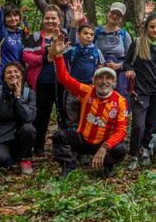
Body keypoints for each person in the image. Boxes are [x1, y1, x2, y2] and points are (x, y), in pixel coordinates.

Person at [47, 31, 129, 178]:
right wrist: (58, 56)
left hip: (103, 142)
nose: (104, 81)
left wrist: (105, 147)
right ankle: (68, 166)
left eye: (108, 78)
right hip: (83, 139)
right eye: (100, 78)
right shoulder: (87, 92)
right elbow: (65, 79)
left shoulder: (120, 101)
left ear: (114, 83)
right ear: (94, 81)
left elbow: (121, 131)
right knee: (59, 136)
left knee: (121, 147)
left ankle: (107, 166)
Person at [123, 13, 156, 168]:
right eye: (152, 27)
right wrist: (129, 70)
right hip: (140, 91)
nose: (155, 30)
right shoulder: (137, 43)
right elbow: (127, 62)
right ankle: (133, 155)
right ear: (146, 27)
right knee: (138, 125)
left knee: (151, 124)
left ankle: (145, 149)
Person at [22, 6, 65, 155]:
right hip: (41, 81)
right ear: (42, 19)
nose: (50, 21)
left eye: (53, 18)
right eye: (47, 18)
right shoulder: (35, 37)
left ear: (59, 20)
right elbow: (26, 55)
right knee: (41, 115)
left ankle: (62, 146)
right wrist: (44, 58)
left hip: (61, 82)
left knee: (63, 115)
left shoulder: (64, 35)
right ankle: (38, 145)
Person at [62, 20, 105, 129]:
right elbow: (59, 57)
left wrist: (97, 83)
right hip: (74, 88)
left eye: (91, 34)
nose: (88, 36)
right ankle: (72, 135)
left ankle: (86, 137)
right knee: (71, 113)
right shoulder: (73, 50)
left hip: (89, 88)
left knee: (88, 114)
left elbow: (101, 67)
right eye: (85, 33)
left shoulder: (96, 51)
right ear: (78, 34)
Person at [94, 2, 133, 98]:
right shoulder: (96, 32)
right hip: (99, 68)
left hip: (119, 70)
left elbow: (130, 58)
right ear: (108, 13)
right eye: (113, 13)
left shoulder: (124, 35)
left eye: (118, 15)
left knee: (120, 94)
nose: (114, 16)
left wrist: (119, 65)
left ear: (121, 18)